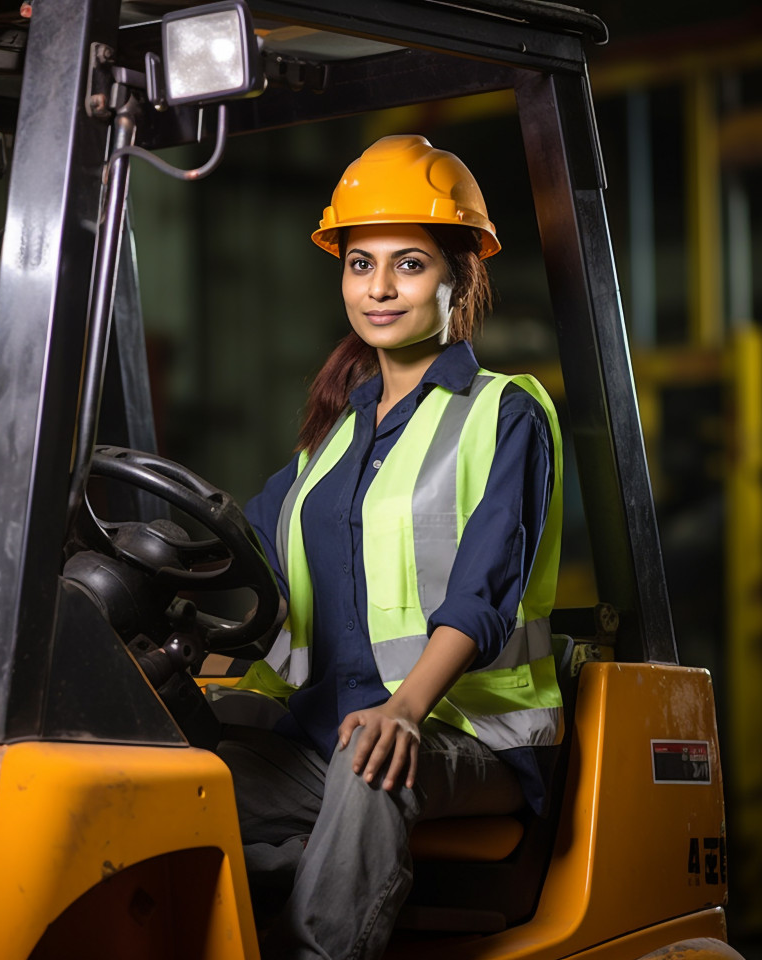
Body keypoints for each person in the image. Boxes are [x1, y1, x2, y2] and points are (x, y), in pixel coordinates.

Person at [217, 134, 564, 960]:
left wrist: (404, 710)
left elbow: (484, 597)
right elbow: (240, 547)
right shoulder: (335, 436)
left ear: (458, 276)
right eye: (359, 264)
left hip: (465, 735)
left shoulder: (503, 413)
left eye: (408, 264)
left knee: (370, 765)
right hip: (320, 734)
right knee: (177, 770)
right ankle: (274, 886)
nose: (378, 288)